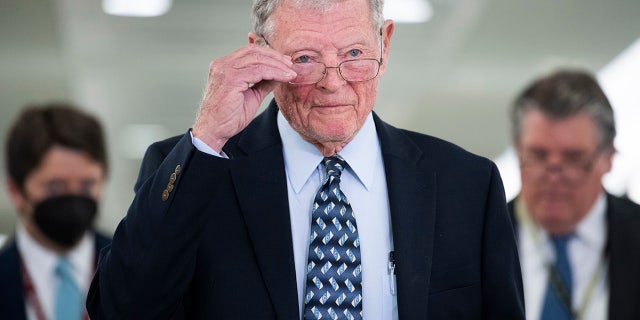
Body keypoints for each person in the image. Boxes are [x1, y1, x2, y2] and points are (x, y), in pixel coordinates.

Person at [87, 0, 525, 319]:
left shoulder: (467, 184)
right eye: (305, 59)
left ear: (385, 44)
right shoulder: (195, 168)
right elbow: (121, 309)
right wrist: (207, 137)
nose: (332, 84)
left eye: (353, 54)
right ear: (260, 52)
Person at [508, 69, 640, 320]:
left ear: (609, 157)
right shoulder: (475, 240)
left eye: (574, 158)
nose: (554, 176)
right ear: (517, 149)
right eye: (537, 155)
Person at [0, 103, 112, 320]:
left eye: (87, 185)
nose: (73, 197)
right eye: (55, 187)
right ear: (16, 191)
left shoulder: (136, 270)